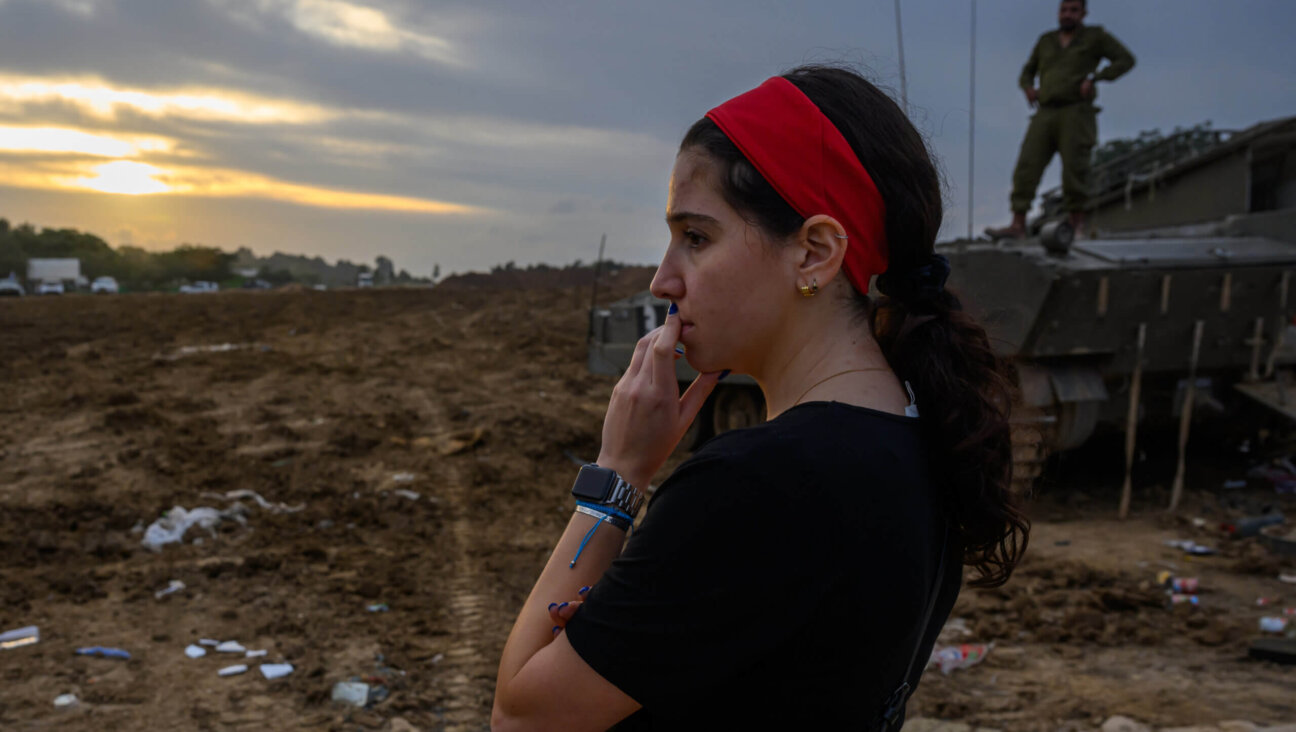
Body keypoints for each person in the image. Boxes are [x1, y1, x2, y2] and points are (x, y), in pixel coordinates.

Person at [492, 65, 1030, 731]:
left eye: (696, 237)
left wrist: (618, 478)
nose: (664, 279)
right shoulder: (924, 440)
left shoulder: (759, 483)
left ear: (814, 253)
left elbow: (523, 718)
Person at [986, 0, 1135, 240]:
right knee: (1027, 166)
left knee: (1076, 169)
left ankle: (1076, 226)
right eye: (1064, 10)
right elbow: (1028, 70)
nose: (1068, 14)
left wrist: (1096, 78)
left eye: (1074, 10)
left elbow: (1125, 59)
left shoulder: (1095, 37)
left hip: (1076, 112)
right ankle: (1017, 224)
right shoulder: (1046, 40)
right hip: (1045, 111)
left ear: (1083, 13)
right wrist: (1027, 87)